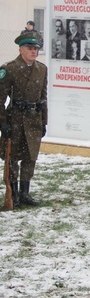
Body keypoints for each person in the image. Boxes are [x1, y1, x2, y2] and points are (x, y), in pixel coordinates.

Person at [0, 31, 47, 207]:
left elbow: (44, 97)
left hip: (34, 119)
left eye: (36, 48)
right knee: (12, 158)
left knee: (30, 157)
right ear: (21, 49)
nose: (33, 51)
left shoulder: (41, 69)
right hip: (16, 120)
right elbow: (0, 100)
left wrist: (44, 121)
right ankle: (13, 193)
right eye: (29, 48)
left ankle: (25, 192)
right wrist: (3, 123)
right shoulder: (9, 68)